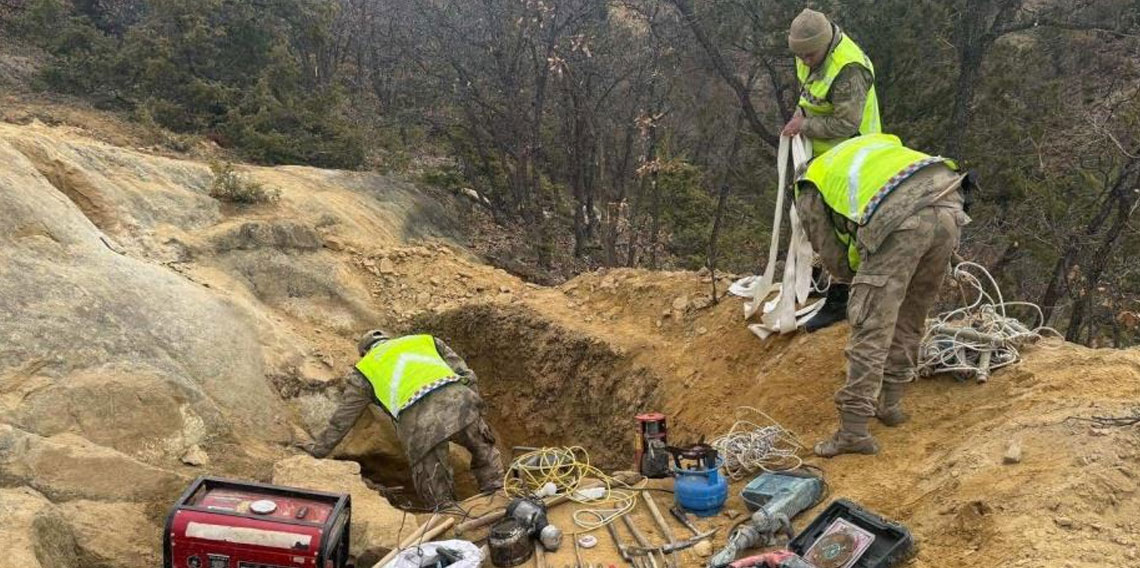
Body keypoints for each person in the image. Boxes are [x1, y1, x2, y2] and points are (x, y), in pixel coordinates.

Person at [794, 133, 970, 457]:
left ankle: (853, 431)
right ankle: (891, 403)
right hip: (950, 202)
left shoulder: (808, 185)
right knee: (911, 314)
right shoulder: (868, 148)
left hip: (903, 216)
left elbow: (831, 254)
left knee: (871, 323)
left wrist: (864, 281)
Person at [301, 330, 504, 506]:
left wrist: (318, 450)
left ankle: (448, 516)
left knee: (433, 481)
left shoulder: (365, 370)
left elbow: (343, 419)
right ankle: (498, 496)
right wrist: (475, 408)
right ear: (390, 339)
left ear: (364, 353)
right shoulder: (425, 341)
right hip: (461, 401)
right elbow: (466, 374)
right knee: (484, 449)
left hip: (419, 424)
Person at [782, 7, 883, 333]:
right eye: (801, 55)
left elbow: (845, 122)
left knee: (840, 223)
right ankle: (810, 276)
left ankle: (841, 293)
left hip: (854, 153)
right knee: (807, 211)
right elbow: (809, 91)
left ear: (824, 44)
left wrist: (804, 125)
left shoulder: (849, 69)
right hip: (822, 154)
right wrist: (801, 116)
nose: (805, 61)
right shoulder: (807, 54)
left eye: (810, 54)